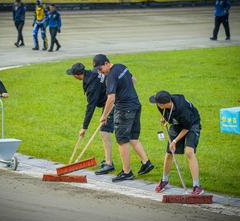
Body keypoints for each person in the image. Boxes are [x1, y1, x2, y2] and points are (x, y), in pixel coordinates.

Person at [95, 54, 154, 182]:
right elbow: (133, 80)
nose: (101, 72)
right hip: (136, 105)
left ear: (106, 63)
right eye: (98, 70)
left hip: (124, 110)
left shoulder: (110, 77)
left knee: (122, 140)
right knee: (133, 137)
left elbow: (111, 98)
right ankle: (146, 162)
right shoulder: (121, 67)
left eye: (100, 69)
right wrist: (126, 90)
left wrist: (104, 116)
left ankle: (127, 172)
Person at [149, 90, 203, 195]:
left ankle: (197, 186)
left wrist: (175, 141)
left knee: (189, 152)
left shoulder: (182, 109)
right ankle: (164, 180)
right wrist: (164, 119)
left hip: (191, 124)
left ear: (165, 103)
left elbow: (187, 127)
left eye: (158, 103)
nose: (157, 105)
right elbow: (167, 116)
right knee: (169, 152)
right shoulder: (161, 105)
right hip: (176, 124)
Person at [66, 63, 115, 175]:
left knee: (104, 131)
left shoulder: (91, 85)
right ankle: (108, 160)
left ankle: (109, 164)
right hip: (108, 100)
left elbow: (91, 107)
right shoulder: (93, 72)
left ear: (77, 75)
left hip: (113, 102)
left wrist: (84, 127)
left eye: (73, 75)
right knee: (105, 132)